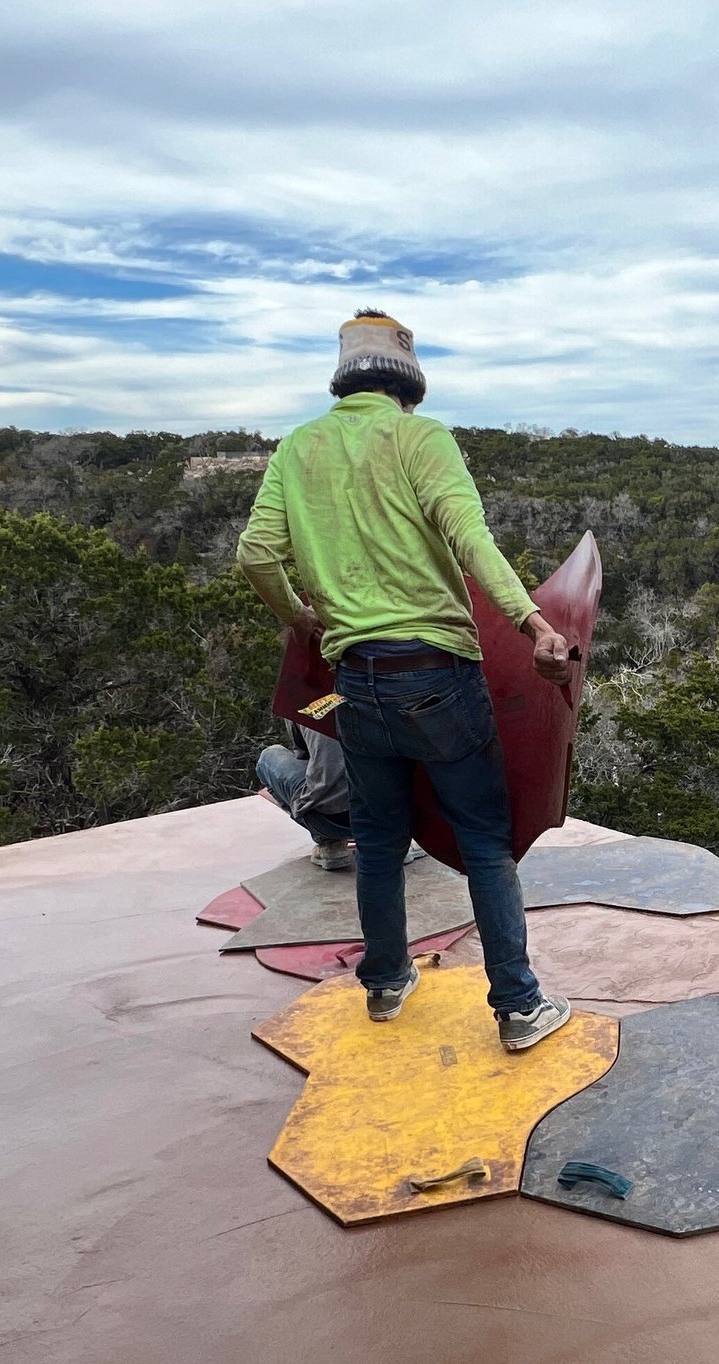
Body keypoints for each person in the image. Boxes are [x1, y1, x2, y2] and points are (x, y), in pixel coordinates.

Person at [234, 309, 574, 1050]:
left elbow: (255, 553)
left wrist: (299, 616)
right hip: (437, 673)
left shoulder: (299, 447)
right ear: (409, 386)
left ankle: (386, 982)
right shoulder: (422, 438)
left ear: (344, 382)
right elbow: (470, 539)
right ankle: (518, 1005)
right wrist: (533, 625)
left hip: (356, 679)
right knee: (485, 842)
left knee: (380, 841)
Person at [255, 719, 354, 870]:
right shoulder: (386, 703)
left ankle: (331, 845)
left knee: (268, 758)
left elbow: (304, 755)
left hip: (330, 821)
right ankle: (390, 843)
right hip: (384, 817)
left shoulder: (301, 703)